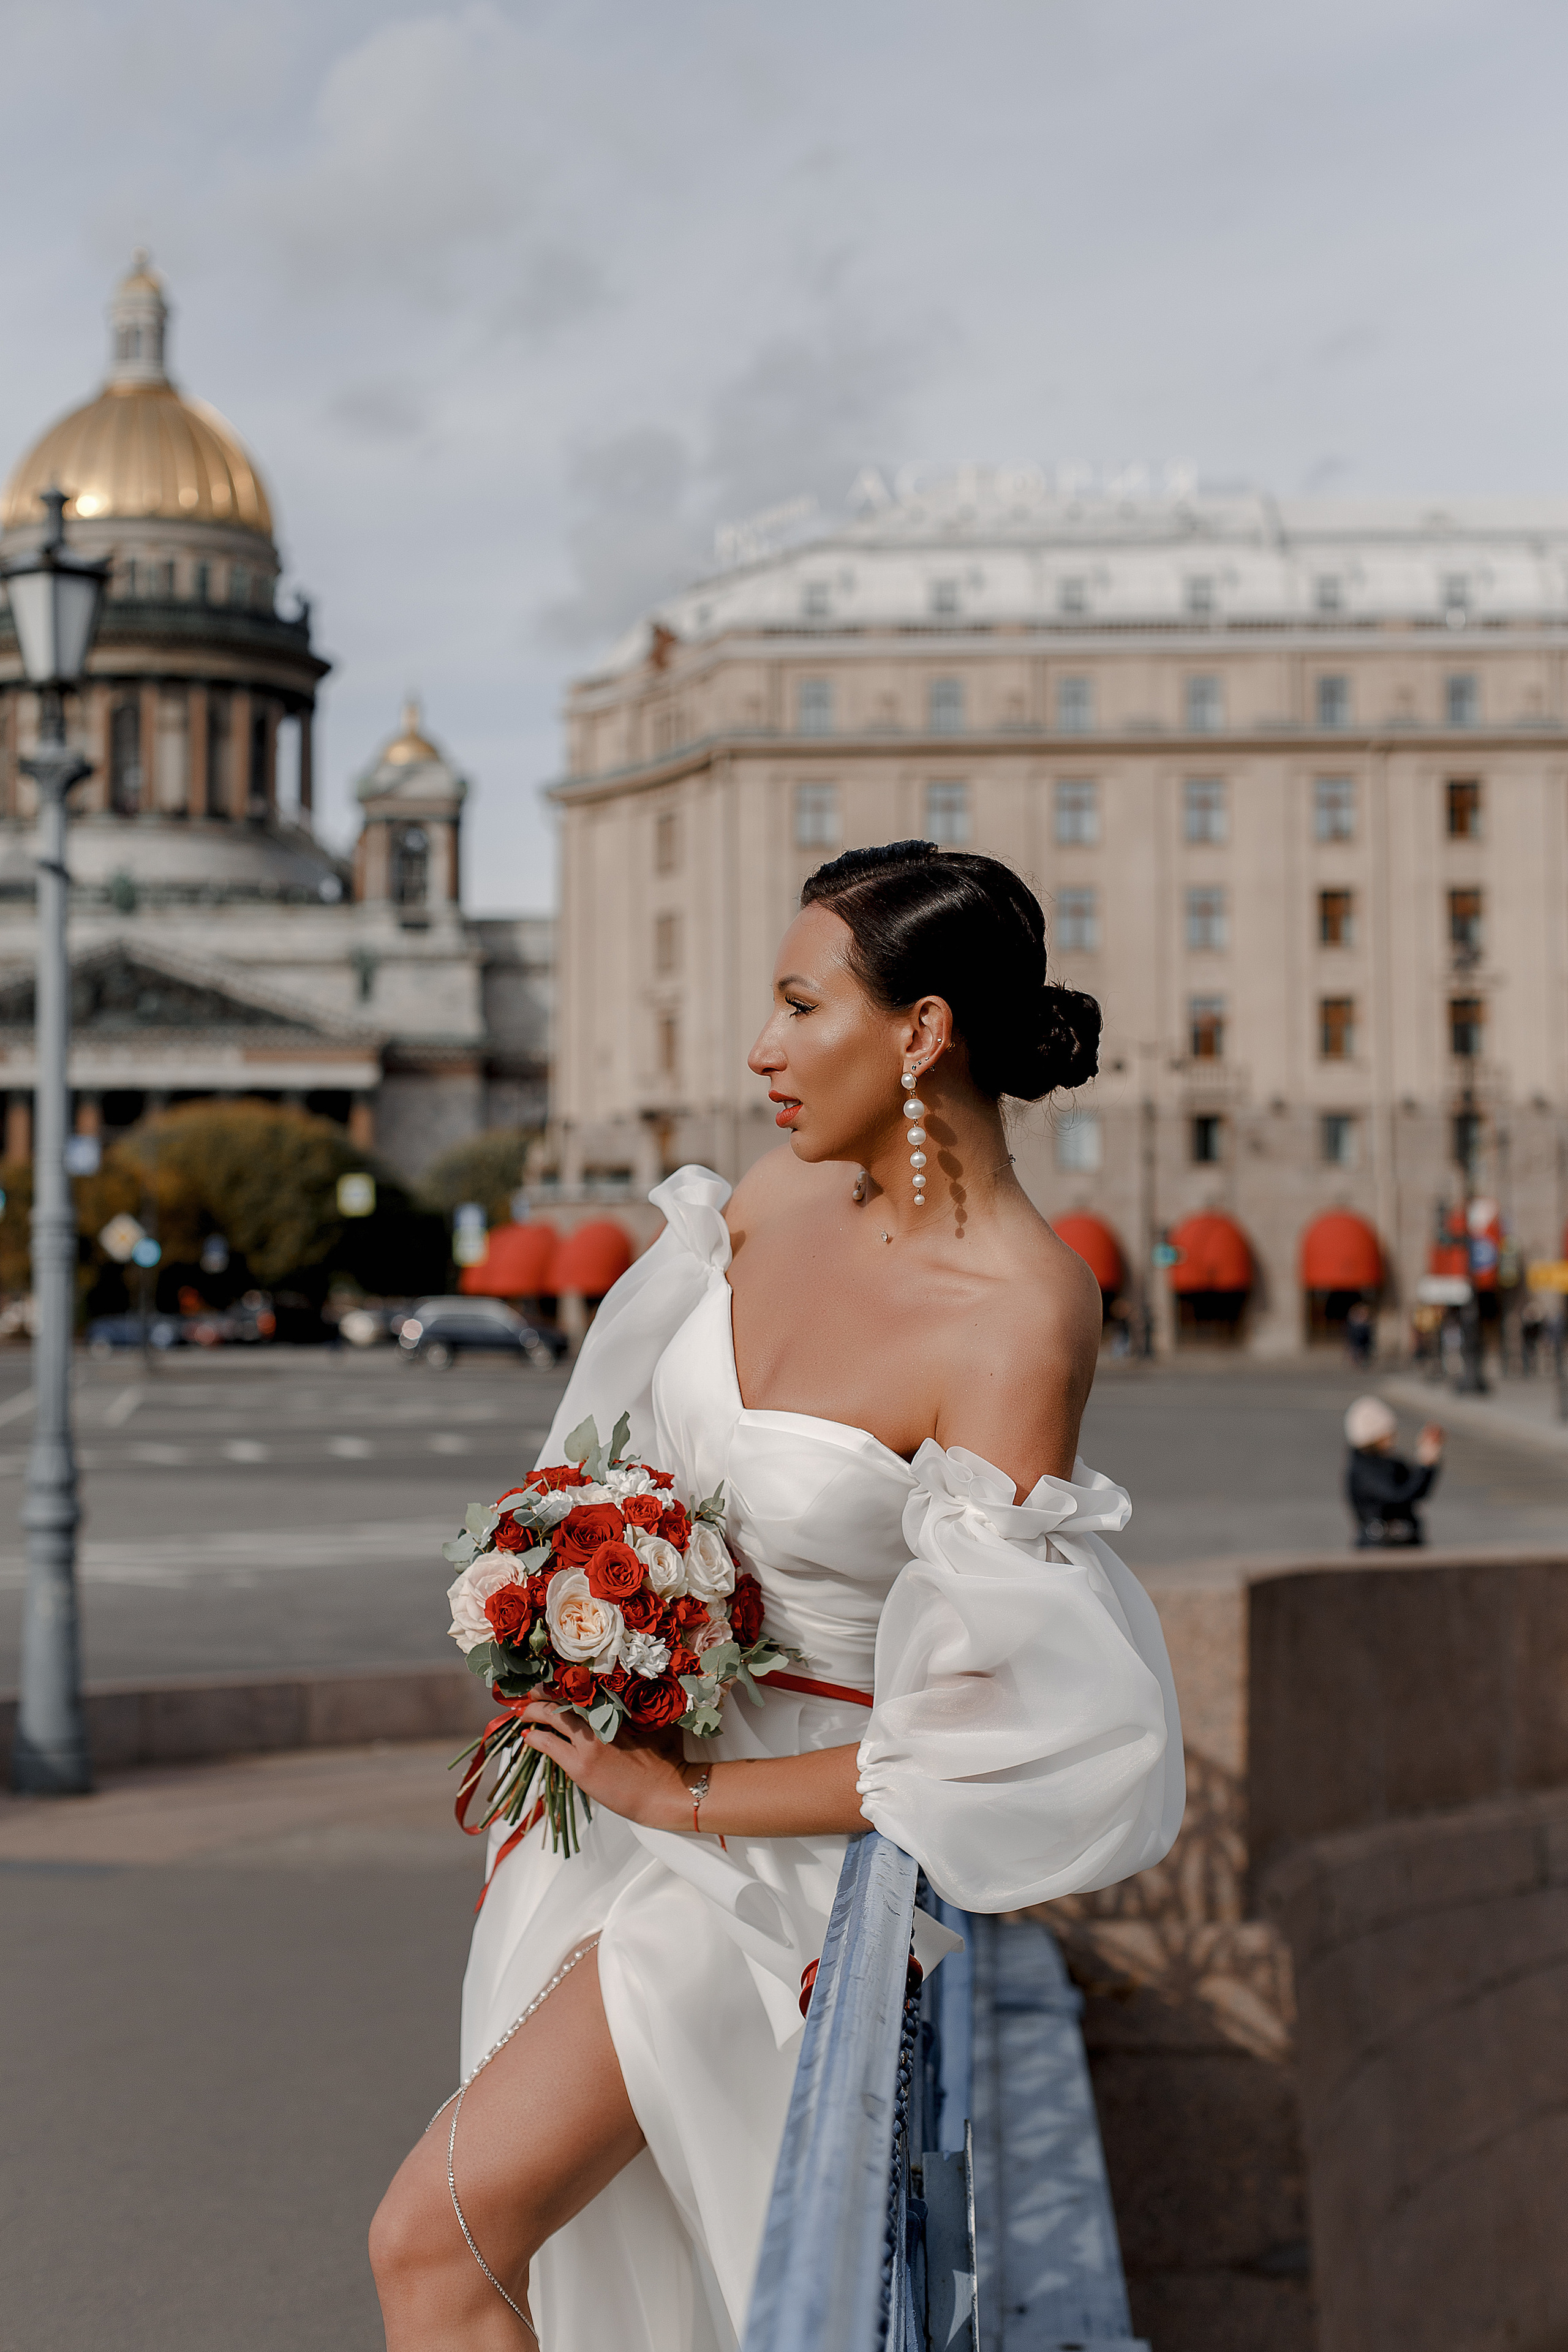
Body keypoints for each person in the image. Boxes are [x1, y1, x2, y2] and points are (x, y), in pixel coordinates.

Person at [370, 841, 1185, 2352]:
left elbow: (986, 1730)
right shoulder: (764, 1194)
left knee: (432, 2239)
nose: (759, 1049)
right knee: (573, 2265)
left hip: (768, 1875)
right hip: (622, 1807)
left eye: (799, 1003)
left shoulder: (1020, 1310)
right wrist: (563, 1603)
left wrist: (680, 1803)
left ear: (920, 1030)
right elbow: (613, 1448)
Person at [1344, 1395, 1444, 1548]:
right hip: (1380, 1545)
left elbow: (1417, 1490)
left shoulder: (1386, 1462)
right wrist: (1425, 1463)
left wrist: (1428, 1459)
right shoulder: (1366, 1469)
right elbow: (1400, 1495)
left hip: (1401, 1541)